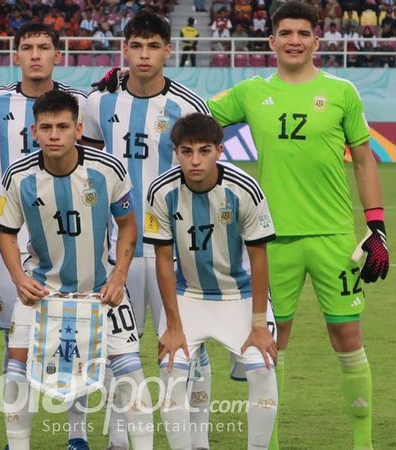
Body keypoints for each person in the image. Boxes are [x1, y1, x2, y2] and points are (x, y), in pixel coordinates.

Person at [208, 2, 388, 448]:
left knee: (347, 335)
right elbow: (196, 116)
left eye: (302, 33)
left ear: (315, 40)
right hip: (271, 240)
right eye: (285, 32)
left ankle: (362, 444)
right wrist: (137, 83)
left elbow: (364, 160)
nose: (294, 40)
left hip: (332, 238)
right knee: (272, 343)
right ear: (271, 41)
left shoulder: (342, 91)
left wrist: (377, 227)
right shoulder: (251, 92)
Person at [82, 11, 216, 449]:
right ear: (125, 50)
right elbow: (89, 174)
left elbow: (203, 177)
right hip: (114, 252)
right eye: (136, 46)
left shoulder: (188, 106)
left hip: (172, 253)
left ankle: (196, 440)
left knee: (186, 348)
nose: (144, 55)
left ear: (168, 50)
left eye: (153, 46)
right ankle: (120, 439)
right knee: (119, 351)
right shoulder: (98, 103)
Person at [0, 89, 154, 450]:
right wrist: (20, 279)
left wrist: (119, 277)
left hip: (100, 289)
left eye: (63, 126)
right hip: (41, 291)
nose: (54, 134)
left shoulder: (107, 169)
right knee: (17, 368)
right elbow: (5, 234)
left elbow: (128, 224)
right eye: (46, 127)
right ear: (34, 132)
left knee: (130, 370)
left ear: (78, 129)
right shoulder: (18, 176)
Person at [0, 21, 91, 450]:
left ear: (58, 54)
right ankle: (15, 436)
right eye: (28, 47)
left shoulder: (79, 103)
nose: (36, 54)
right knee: (14, 335)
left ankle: (77, 435)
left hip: (69, 232)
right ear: (15, 55)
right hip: (13, 233)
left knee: (73, 333)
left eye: (44, 47)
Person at [145, 113, 278, 450]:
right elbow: (163, 260)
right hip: (188, 294)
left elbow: (259, 257)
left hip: (240, 295)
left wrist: (259, 325)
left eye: (204, 151)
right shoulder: (160, 191)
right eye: (187, 151)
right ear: (175, 152)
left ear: (220, 150)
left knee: (261, 367)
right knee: (171, 368)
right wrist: (173, 325)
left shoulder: (244, 188)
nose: (195, 160)